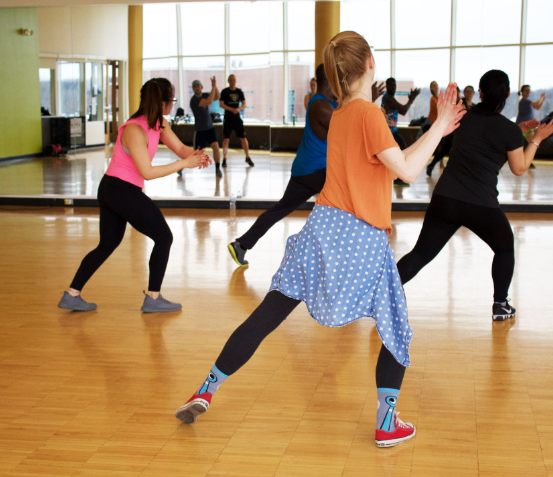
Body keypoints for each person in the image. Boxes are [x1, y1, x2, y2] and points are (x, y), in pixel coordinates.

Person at [175, 31, 464, 449]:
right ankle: (387, 422)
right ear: (369, 63)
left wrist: (437, 128)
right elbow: (408, 171)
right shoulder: (368, 114)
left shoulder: (343, 113)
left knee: (268, 314)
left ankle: (206, 388)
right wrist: (439, 125)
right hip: (361, 235)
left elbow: (395, 161)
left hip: (321, 227)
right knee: (396, 327)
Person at [395, 70, 553, 322]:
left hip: (445, 199)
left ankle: (384, 293)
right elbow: (520, 168)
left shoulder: (464, 116)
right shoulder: (508, 130)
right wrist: (535, 138)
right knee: (504, 248)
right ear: (506, 95)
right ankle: (500, 305)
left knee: (421, 254)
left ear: (480, 93)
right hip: (480, 204)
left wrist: (517, 131)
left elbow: (482, 131)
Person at [58, 78, 212, 313]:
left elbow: (181, 148)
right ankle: (153, 297)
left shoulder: (159, 124)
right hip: (120, 190)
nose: (172, 105)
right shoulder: (134, 130)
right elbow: (147, 173)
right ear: (163, 103)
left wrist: (196, 156)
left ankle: (72, 294)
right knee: (164, 237)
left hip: (116, 189)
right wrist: (184, 163)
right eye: (171, 100)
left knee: (107, 244)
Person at [227, 64, 386, 267]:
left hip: (306, 169)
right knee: (350, 206)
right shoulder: (320, 105)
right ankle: (344, 258)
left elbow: (347, 113)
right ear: (330, 80)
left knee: (282, 209)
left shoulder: (328, 102)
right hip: (316, 171)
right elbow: (348, 124)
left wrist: (364, 99)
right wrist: (367, 100)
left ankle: (241, 244)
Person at [381, 77, 420, 187]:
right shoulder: (388, 98)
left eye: (394, 85)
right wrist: (411, 99)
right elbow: (403, 110)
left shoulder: (389, 97)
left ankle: (397, 176)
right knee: (403, 149)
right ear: (387, 86)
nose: (393, 87)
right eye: (391, 85)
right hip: (389, 131)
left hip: (392, 130)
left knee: (401, 150)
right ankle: (397, 177)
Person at [426, 87, 463, 177]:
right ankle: (431, 165)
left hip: (460, 131)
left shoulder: (463, 102)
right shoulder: (450, 103)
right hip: (450, 131)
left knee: (456, 151)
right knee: (445, 150)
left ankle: (453, 171)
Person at [190, 77, 222, 177]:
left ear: (202, 87)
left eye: (198, 86)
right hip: (200, 130)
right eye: (194, 86)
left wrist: (215, 86)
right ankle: (182, 167)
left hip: (210, 128)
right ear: (193, 89)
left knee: (216, 148)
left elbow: (217, 97)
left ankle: (217, 168)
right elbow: (208, 101)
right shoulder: (194, 100)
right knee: (196, 153)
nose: (196, 88)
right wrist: (213, 87)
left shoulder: (204, 94)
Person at [220, 74, 253, 167]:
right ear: (228, 81)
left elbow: (244, 104)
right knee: (226, 139)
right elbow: (221, 104)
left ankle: (247, 157)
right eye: (230, 80)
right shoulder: (225, 91)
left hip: (237, 118)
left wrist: (238, 109)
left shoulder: (239, 91)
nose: (232, 81)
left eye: (234, 80)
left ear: (235, 81)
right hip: (228, 118)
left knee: (243, 138)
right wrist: (230, 109)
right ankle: (224, 159)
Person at [516, 85, 546, 169]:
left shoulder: (528, 101)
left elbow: (537, 107)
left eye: (529, 90)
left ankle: (527, 161)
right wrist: (541, 97)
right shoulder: (524, 101)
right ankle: (526, 161)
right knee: (532, 143)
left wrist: (542, 99)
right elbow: (537, 103)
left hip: (529, 126)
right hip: (524, 126)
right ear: (522, 92)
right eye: (526, 90)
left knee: (532, 143)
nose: (528, 92)